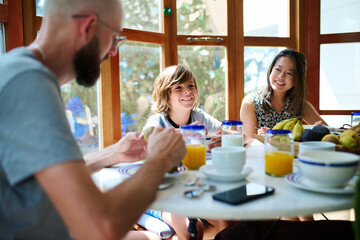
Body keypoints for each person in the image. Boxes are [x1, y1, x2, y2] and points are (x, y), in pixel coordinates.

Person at [0, 0, 186, 239]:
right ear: (88, 27)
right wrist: (160, 161)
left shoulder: (15, 69)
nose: (113, 51)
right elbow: (101, 227)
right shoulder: (29, 84)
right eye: (115, 38)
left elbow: (49, 174)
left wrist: (113, 153)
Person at [142, 65, 233, 240]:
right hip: (160, 194)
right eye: (179, 87)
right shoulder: (157, 121)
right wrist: (187, 133)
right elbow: (147, 147)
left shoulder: (200, 116)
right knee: (194, 229)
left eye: (191, 86)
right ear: (166, 95)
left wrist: (225, 137)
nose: (187, 91)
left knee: (227, 222)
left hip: (196, 187)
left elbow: (233, 133)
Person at [240, 49, 327, 142]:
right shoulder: (251, 102)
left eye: (289, 73)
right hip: (262, 155)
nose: (281, 76)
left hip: (293, 155)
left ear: (297, 79)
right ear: (271, 70)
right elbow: (250, 140)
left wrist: (316, 131)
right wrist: (266, 138)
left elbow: (327, 133)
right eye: (278, 69)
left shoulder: (300, 104)